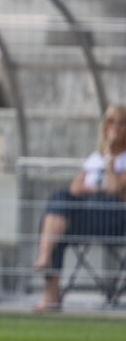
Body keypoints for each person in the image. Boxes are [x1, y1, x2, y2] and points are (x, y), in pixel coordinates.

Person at [32, 104, 126, 312]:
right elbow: (75, 187)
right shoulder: (95, 158)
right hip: (89, 213)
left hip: (115, 218)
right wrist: (99, 184)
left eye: (121, 123)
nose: (116, 128)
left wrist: (109, 159)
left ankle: (45, 257)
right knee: (57, 205)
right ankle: (50, 285)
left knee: (58, 216)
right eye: (111, 122)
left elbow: (115, 188)